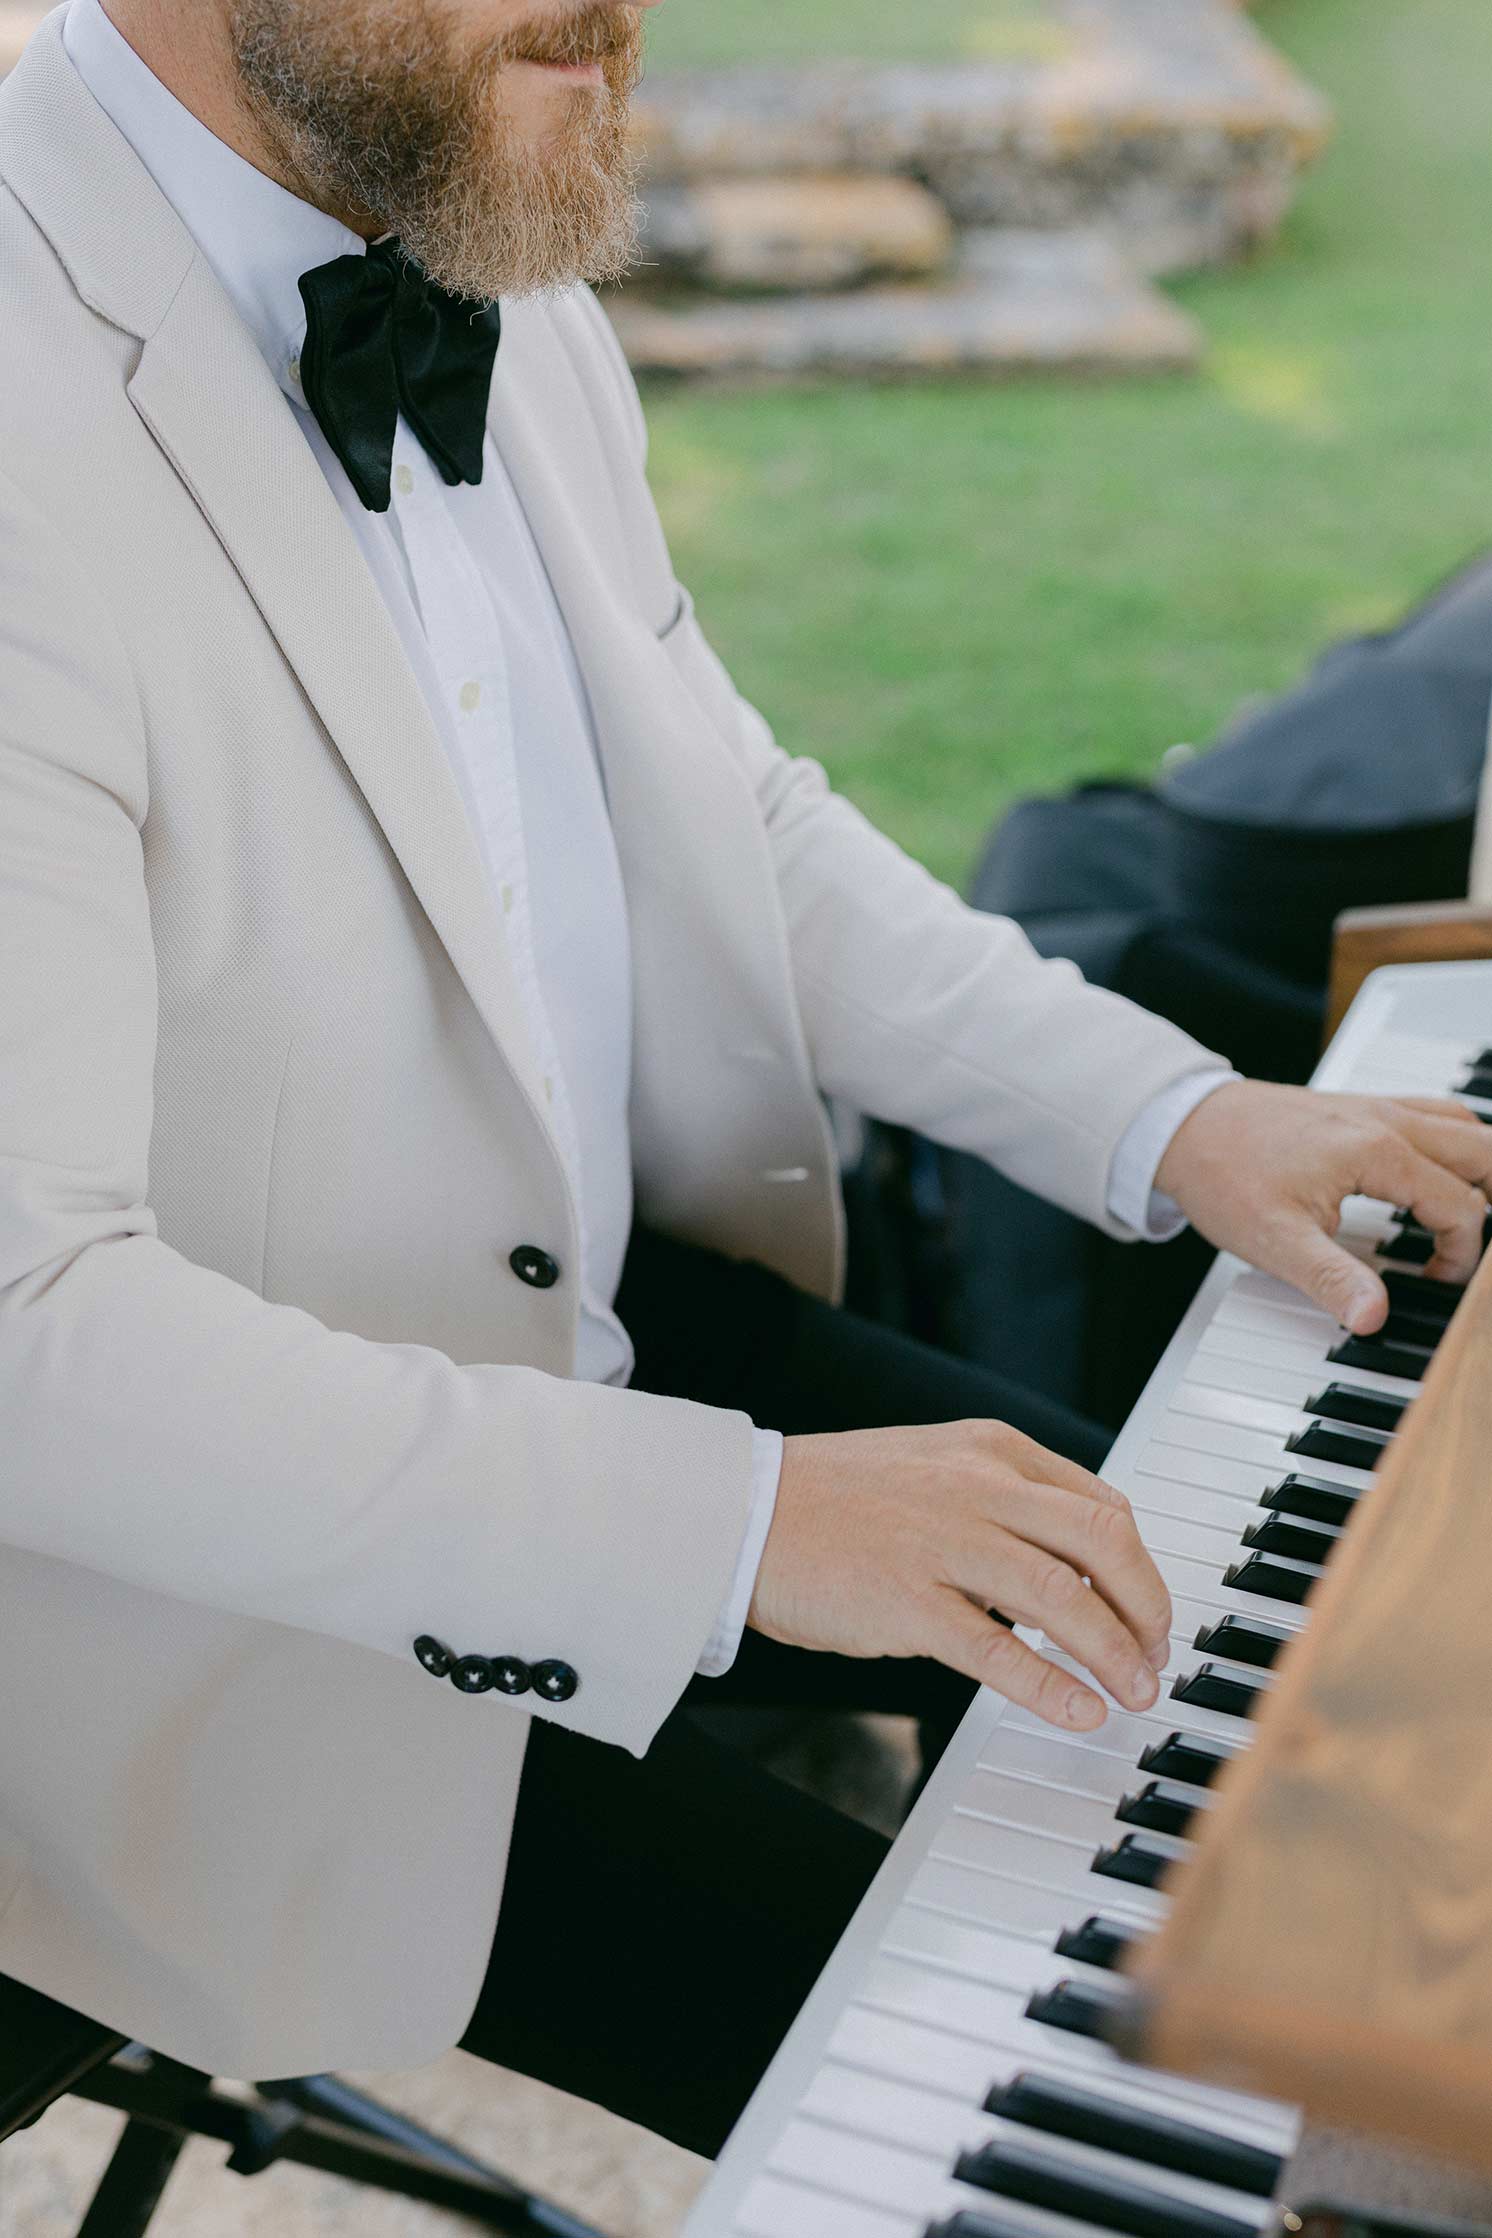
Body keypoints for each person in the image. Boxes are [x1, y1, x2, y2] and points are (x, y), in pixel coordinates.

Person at [0, 0, 1487, 2163]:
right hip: (176, 1635)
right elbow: (27, 1345)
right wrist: (748, 1525)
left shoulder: (462, 212)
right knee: (1189, 2090)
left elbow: (726, 808)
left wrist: (1174, 1112)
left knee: (1334, 1710)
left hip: (588, 1339)